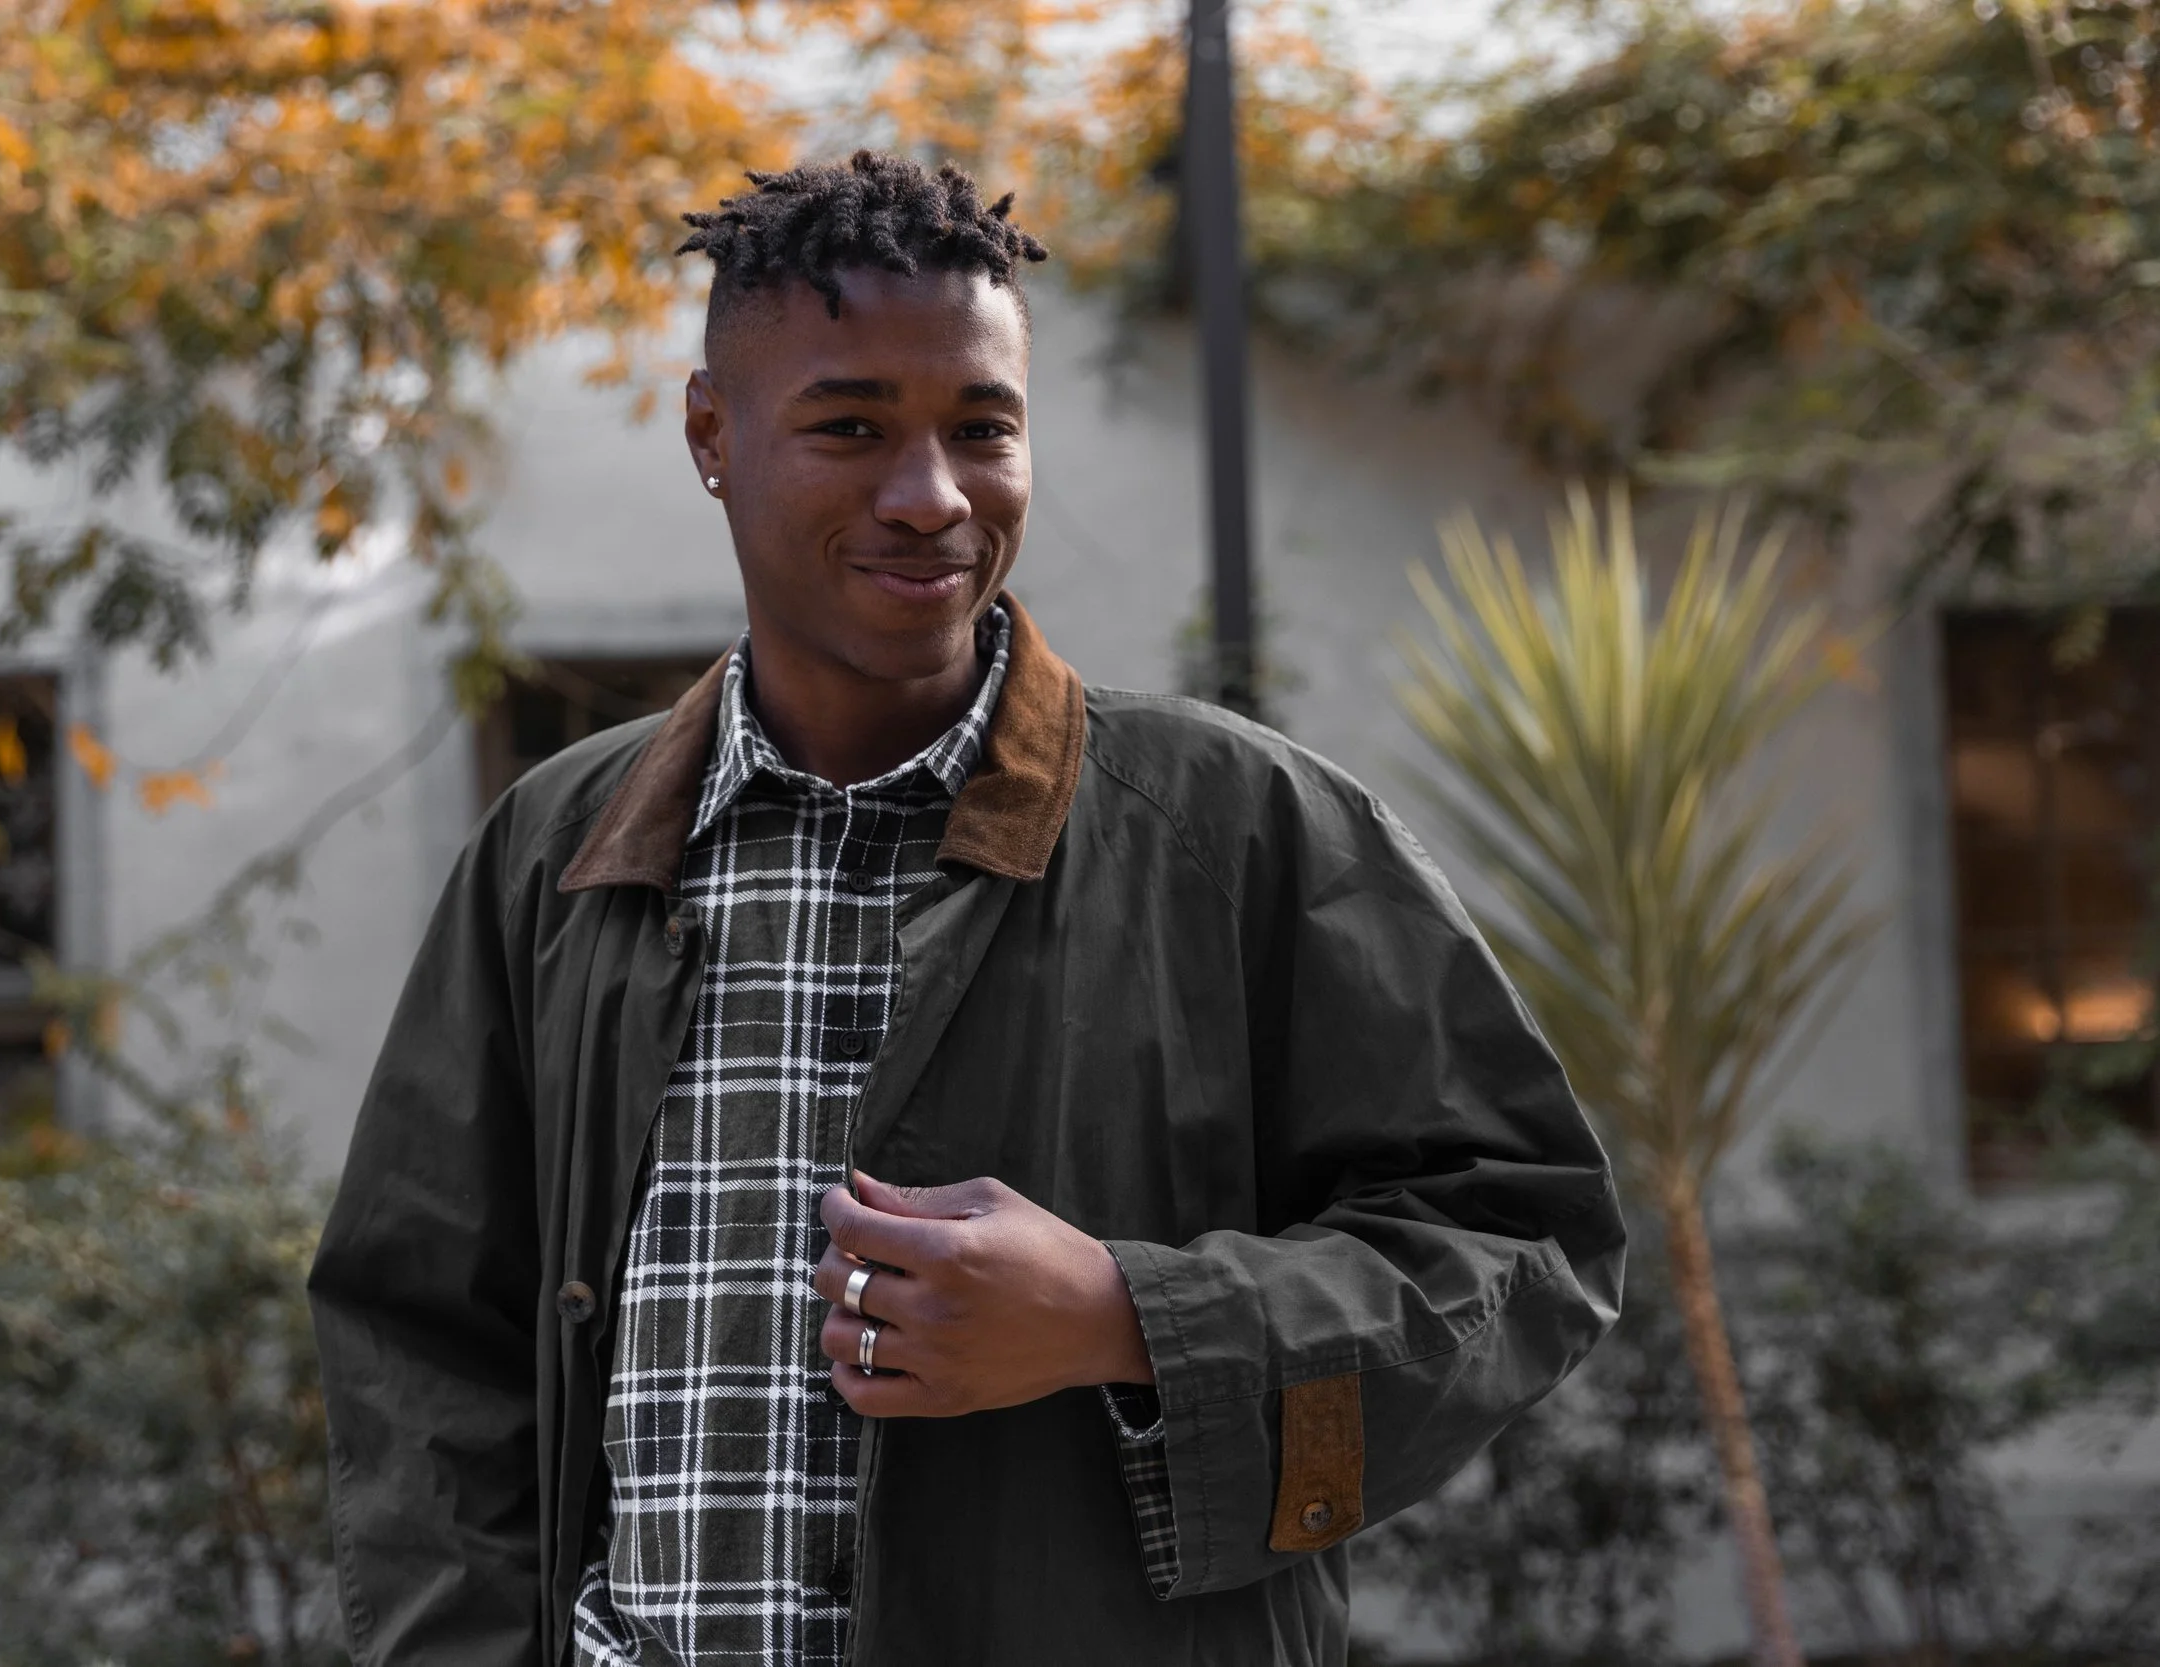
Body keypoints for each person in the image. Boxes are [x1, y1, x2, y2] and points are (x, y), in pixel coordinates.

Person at [306, 150, 1625, 1667]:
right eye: (851, 424)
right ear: (711, 433)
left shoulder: (1238, 831)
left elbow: (1525, 1243)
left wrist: (1126, 1314)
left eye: (981, 429)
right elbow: (418, 1333)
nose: (930, 496)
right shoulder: (559, 850)